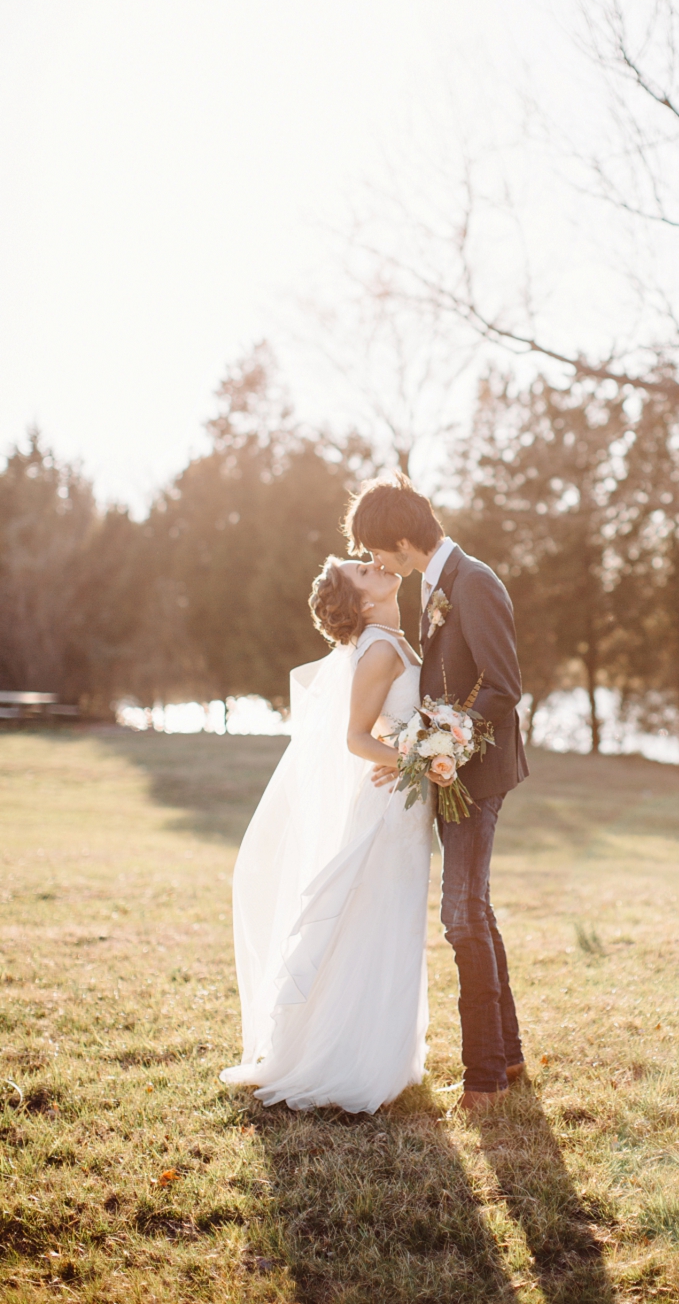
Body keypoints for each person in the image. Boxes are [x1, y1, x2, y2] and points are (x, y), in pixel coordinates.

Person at [220, 553, 432, 1112]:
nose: (375, 564)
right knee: (378, 917)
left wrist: (425, 751)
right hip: (392, 800)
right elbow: (356, 739)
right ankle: (349, 1059)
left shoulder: (392, 640)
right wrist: (420, 760)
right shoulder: (380, 649)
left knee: (394, 916)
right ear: (362, 601)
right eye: (363, 570)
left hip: (405, 799)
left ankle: (384, 1050)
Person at [345, 474, 528, 1110]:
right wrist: (426, 744)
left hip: (477, 774)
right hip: (453, 769)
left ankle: (483, 1080)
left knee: (460, 915)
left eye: (374, 552)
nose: (374, 563)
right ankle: (506, 1060)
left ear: (401, 542)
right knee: (474, 908)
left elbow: (504, 689)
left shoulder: (473, 582)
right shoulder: (433, 584)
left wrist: (446, 744)